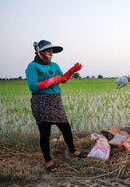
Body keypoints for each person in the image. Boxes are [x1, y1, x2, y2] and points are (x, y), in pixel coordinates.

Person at [25, 40, 87, 172]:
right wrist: (52, 80)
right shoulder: (32, 66)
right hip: (41, 101)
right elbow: (33, 86)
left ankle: (72, 151)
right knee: (45, 133)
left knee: (65, 127)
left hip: (55, 100)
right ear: (39, 52)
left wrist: (71, 71)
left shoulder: (54, 65)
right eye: (48, 51)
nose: (51, 53)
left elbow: (63, 79)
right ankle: (48, 161)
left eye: (52, 51)